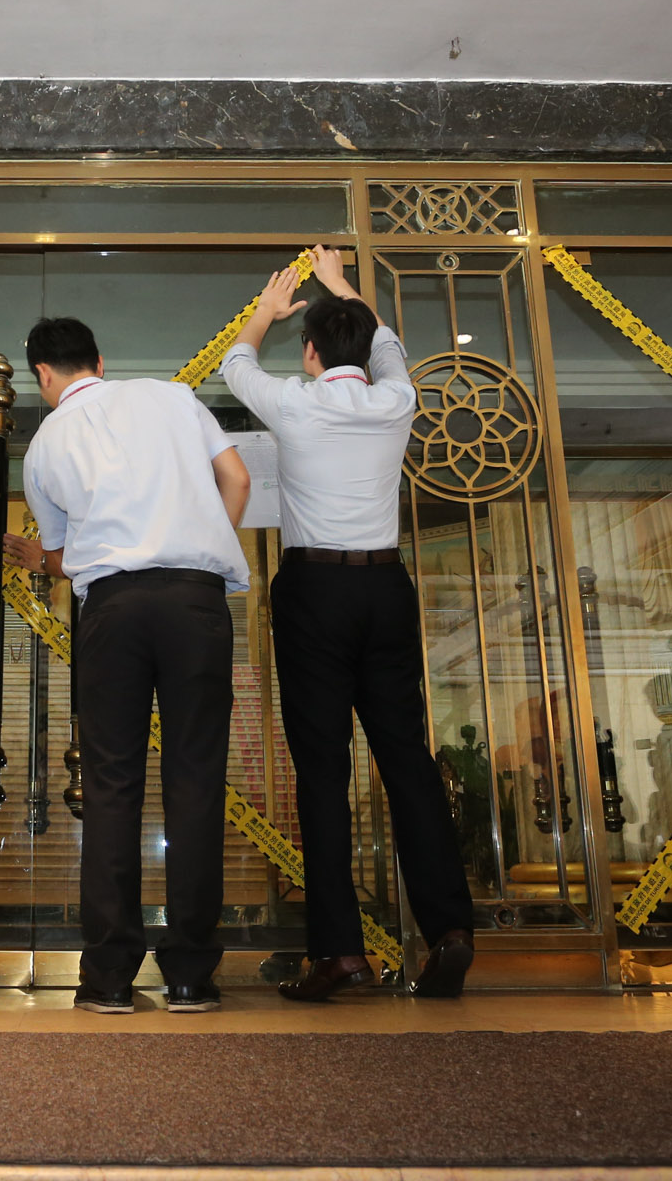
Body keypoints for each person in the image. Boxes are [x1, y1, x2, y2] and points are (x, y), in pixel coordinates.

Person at [220, 247, 475, 999]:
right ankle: (450, 930)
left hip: (315, 591)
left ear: (309, 352)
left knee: (323, 772)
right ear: (364, 351)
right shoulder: (396, 398)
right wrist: (339, 285)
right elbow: (386, 340)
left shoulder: (295, 403)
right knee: (408, 761)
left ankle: (338, 953)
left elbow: (235, 362)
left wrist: (267, 309)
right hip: (385, 587)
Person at [2, 317, 252, 1013]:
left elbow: (64, 557)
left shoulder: (44, 446)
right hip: (195, 600)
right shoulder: (172, 396)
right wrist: (198, 540)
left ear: (42, 375)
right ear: (100, 361)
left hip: (112, 609)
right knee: (196, 780)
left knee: (112, 785)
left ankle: (110, 975)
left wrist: (44, 561)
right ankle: (190, 975)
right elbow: (236, 478)